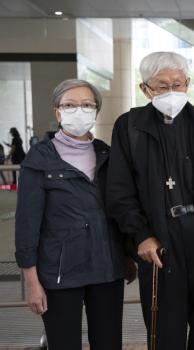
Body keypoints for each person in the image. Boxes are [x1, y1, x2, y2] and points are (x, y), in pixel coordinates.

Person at [106, 51, 194, 350]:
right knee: (165, 333)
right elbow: (119, 190)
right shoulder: (129, 127)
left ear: (188, 83)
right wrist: (140, 235)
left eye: (177, 84)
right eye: (161, 86)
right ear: (145, 89)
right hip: (158, 243)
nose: (171, 92)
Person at [14, 79, 134, 350]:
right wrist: (32, 282)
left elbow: (119, 209)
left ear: (95, 111)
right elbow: (26, 226)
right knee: (64, 344)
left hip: (106, 269)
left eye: (86, 105)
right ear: (57, 112)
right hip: (59, 273)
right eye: (70, 105)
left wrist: (126, 256)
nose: (78, 111)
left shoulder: (108, 154)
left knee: (108, 343)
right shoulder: (39, 159)